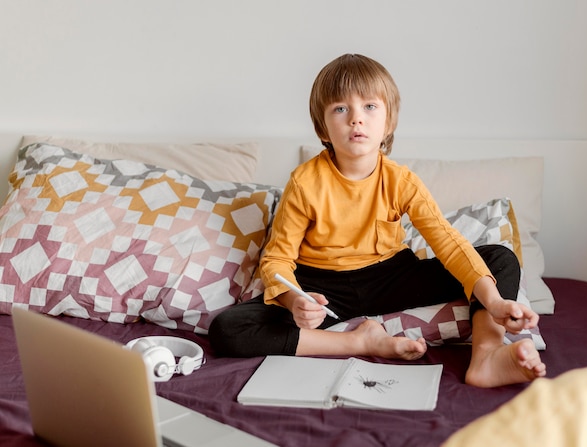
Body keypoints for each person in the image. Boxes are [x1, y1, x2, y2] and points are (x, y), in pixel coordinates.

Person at [209, 53, 546, 388]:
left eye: (370, 107)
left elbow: (448, 243)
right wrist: (294, 300)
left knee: (500, 258)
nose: (357, 119)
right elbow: (277, 259)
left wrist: (496, 301)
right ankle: (362, 341)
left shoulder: (401, 181)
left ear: (389, 121)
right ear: (321, 128)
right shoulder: (304, 183)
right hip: (323, 288)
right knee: (228, 329)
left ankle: (486, 357)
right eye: (340, 109)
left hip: (390, 276)